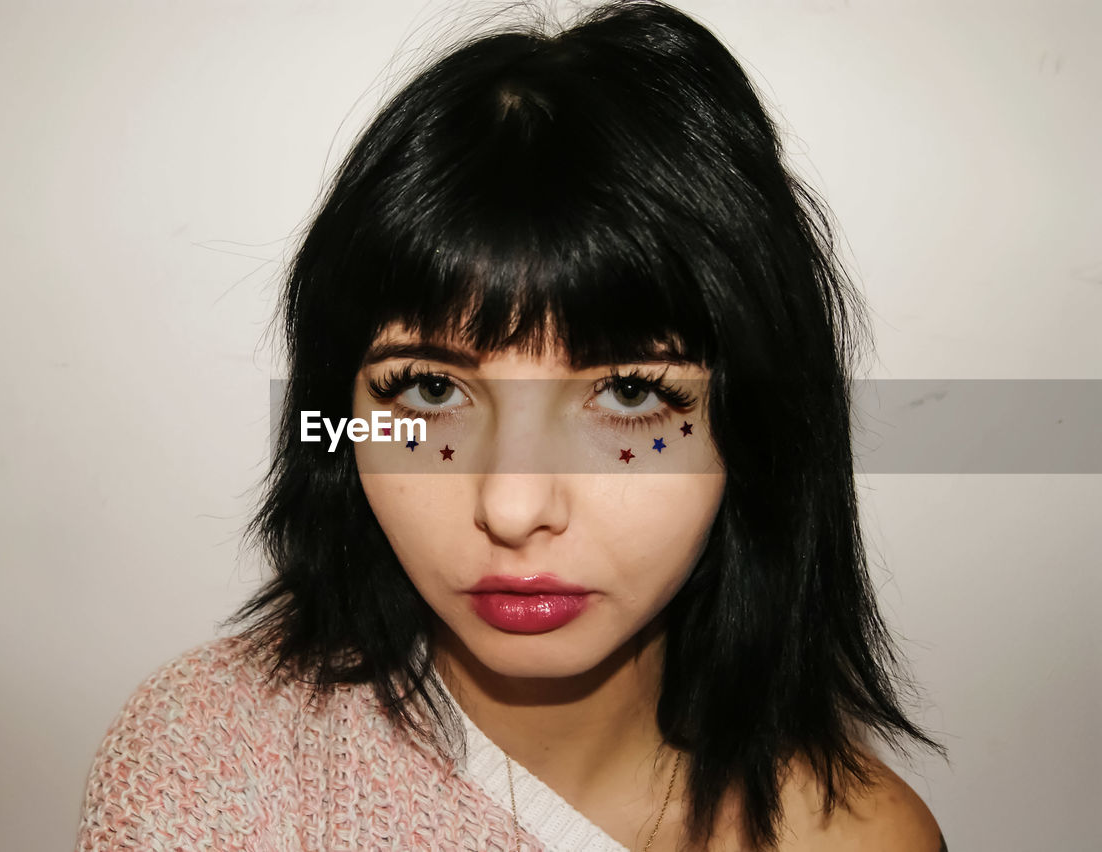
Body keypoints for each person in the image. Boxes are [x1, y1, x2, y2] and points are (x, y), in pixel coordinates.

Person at [76, 2, 947, 849]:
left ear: (754, 433)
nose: (513, 504)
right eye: (425, 389)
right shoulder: (206, 761)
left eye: (633, 396)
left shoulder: (866, 840)